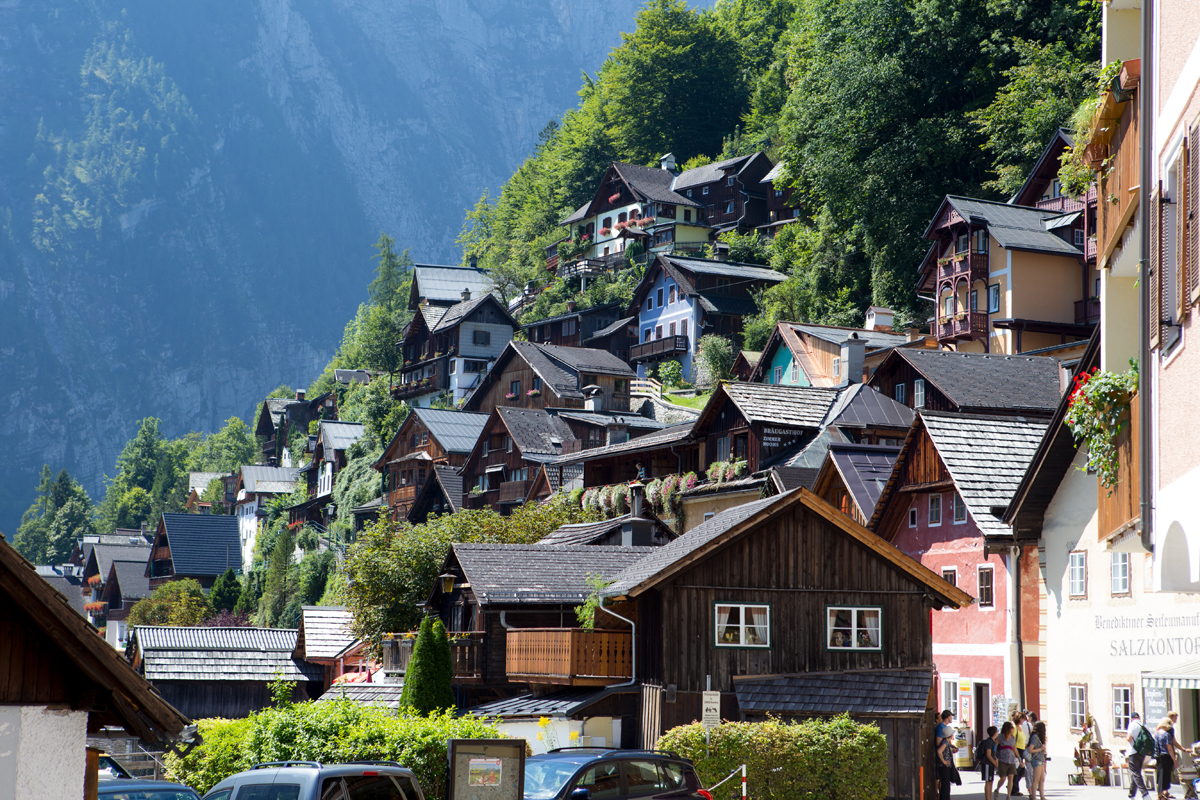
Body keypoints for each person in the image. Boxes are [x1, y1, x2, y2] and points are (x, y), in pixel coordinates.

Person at [1125, 712, 1152, 800]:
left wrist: (1126, 738)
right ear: (1139, 718)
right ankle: (1131, 795)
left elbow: (1129, 738)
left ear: (1132, 719)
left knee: (1135, 773)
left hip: (1133, 752)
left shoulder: (1132, 725)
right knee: (1136, 773)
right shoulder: (1144, 726)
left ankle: (1145, 794)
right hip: (1142, 752)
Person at [1156, 717, 1181, 800]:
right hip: (1166, 756)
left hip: (1159, 756)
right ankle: (1162, 794)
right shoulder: (1166, 735)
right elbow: (1170, 748)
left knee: (1160, 776)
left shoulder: (1157, 733)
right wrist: (1174, 760)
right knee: (1166, 776)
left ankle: (1160, 794)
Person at [997, 722, 1020, 800]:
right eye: (1012, 727)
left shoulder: (1013, 738)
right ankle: (997, 790)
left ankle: (1008, 796)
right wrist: (995, 757)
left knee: (1010, 778)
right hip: (1002, 760)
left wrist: (1019, 758)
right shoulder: (1000, 737)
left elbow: (1015, 749)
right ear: (1008, 728)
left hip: (1011, 760)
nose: (1013, 729)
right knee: (1003, 778)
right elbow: (995, 746)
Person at [1026, 721, 1047, 800]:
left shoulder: (1040, 737)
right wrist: (1041, 748)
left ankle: (1042, 796)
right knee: (1036, 779)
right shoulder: (1035, 737)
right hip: (1036, 760)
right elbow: (1030, 750)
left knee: (1042, 779)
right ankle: (1033, 797)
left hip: (1041, 759)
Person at [978, 726, 1000, 800]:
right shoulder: (989, 742)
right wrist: (994, 763)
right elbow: (988, 754)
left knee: (990, 781)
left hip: (991, 763)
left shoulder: (993, 741)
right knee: (988, 782)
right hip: (987, 763)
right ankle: (987, 798)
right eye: (997, 731)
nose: (998, 733)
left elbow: (993, 753)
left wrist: (996, 759)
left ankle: (989, 797)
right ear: (994, 733)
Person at [937, 728, 957, 800]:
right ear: (950, 735)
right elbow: (939, 751)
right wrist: (944, 761)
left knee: (945, 784)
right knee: (945, 785)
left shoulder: (946, 742)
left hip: (944, 766)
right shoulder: (945, 743)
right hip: (944, 766)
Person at [1012, 711, 1029, 796]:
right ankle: (1014, 789)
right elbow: (1013, 742)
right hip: (1017, 750)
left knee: (1021, 770)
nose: (1023, 720)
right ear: (1019, 719)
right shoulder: (1014, 728)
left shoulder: (1020, 727)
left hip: (1022, 750)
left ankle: (1012, 786)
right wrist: (1015, 754)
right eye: (1022, 718)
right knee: (1017, 771)